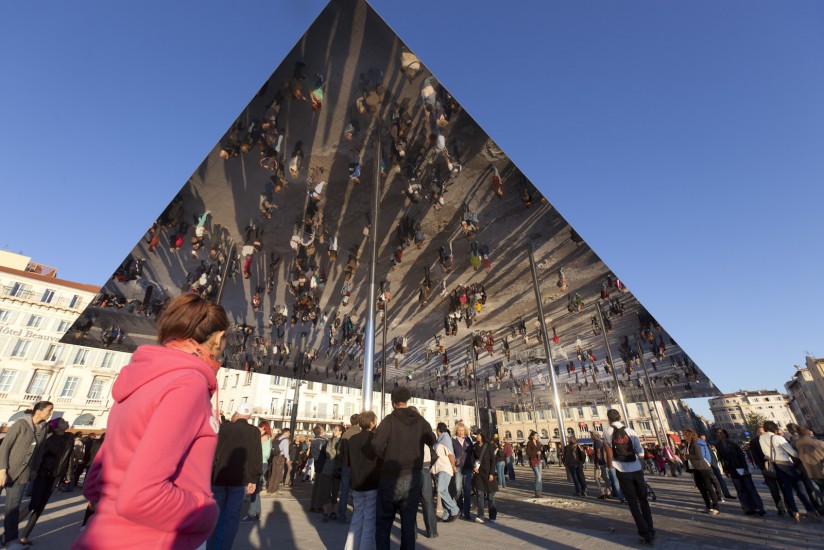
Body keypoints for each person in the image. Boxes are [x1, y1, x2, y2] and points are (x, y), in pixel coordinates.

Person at [73, 294, 228, 549]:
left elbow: (94, 481)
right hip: (152, 538)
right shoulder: (187, 383)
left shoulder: (141, 377)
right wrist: (207, 513)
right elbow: (141, 496)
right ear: (218, 338)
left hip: (103, 535)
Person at [372, 387, 435, 550]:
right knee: (408, 523)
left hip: (390, 476)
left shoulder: (389, 420)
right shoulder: (420, 420)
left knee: (383, 523)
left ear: (393, 402)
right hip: (412, 476)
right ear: (407, 401)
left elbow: (376, 445)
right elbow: (432, 439)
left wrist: (386, 456)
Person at [208, 402, 263, 550]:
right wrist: (253, 479)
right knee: (231, 518)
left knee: (216, 515)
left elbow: (213, 451)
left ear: (237, 414)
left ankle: (211, 546)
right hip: (240, 480)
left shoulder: (224, 428)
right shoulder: (254, 432)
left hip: (219, 477)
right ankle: (225, 547)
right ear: (249, 416)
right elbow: (256, 457)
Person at [0, 401, 53, 550]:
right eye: (49, 410)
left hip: (22, 475)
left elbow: (39, 451)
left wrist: (34, 469)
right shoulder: (21, 424)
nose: (50, 413)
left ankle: (10, 541)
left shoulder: (44, 427)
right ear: (38, 411)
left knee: (13, 508)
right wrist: (2, 470)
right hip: (5, 470)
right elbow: (5, 447)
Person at [603, 409, 655, 546]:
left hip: (621, 469)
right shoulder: (631, 431)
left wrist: (610, 466)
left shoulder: (607, 431)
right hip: (636, 468)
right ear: (620, 417)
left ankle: (644, 533)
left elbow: (608, 450)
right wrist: (642, 467)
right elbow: (640, 451)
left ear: (608, 419)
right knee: (643, 500)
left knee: (632, 502)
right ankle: (650, 529)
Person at [18, 417, 73, 544]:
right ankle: (9, 530)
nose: (66, 422)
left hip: (55, 476)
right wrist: (33, 471)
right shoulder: (48, 439)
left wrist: (68, 474)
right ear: (56, 427)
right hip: (43, 473)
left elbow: (69, 457)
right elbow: (38, 457)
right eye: (62, 422)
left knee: (41, 506)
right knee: (34, 503)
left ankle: (24, 536)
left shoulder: (69, 438)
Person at [759, 421, 818, 522]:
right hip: (785, 464)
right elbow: (792, 452)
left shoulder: (761, 438)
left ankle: (795, 512)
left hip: (775, 465)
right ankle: (810, 510)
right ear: (774, 428)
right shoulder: (778, 438)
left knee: (787, 489)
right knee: (800, 486)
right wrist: (800, 455)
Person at [344, 411, 381, 550]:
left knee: (356, 518)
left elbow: (347, 461)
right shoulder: (376, 439)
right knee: (369, 521)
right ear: (372, 423)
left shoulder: (352, 439)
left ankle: (349, 547)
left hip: (356, 483)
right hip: (371, 483)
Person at [714, 428, 765, 515]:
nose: (720, 435)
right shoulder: (718, 446)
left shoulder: (733, 444)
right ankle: (747, 508)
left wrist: (745, 468)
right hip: (732, 469)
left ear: (725, 434)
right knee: (740, 490)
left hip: (740, 467)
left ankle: (759, 507)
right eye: (718, 433)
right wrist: (725, 469)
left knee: (750, 488)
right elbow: (721, 458)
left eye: (721, 433)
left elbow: (741, 456)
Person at [748, 426, 786, 515]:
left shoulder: (772, 439)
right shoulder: (754, 442)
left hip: (778, 466)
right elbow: (755, 456)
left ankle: (790, 507)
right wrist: (762, 468)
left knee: (784, 487)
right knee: (773, 489)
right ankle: (780, 507)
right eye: (759, 433)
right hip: (766, 468)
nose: (761, 434)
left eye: (763, 432)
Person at [683, 428, 720, 515]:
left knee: (708, 487)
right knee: (701, 487)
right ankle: (709, 506)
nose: (683, 436)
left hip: (702, 468)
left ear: (688, 435)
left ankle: (716, 507)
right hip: (695, 468)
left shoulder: (694, 444)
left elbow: (699, 456)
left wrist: (687, 456)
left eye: (684, 434)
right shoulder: (689, 444)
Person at [243, 421, 272, 522]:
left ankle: (252, 513)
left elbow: (253, 446)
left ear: (265, 429)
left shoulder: (264, 437)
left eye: (261, 428)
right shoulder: (266, 437)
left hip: (260, 463)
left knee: (253, 488)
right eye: (259, 427)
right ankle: (256, 512)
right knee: (255, 489)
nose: (259, 429)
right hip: (261, 463)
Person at [431, 423, 459, 521]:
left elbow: (450, 455)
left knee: (441, 490)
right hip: (440, 469)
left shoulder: (445, 439)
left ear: (438, 430)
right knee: (444, 491)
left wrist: (453, 466)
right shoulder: (440, 440)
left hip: (445, 468)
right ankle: (446, 514)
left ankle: (454, 509)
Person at [338, 413, 362, 524]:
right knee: (357, 493)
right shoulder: (360, 433)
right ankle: (356, 517)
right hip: (357, 466)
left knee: (344, 491)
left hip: (346, 465)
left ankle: (341, 516)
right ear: (359, 422)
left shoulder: (346, 433)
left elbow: (340, 451)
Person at [473, 432, 498, 523]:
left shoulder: (489, 446)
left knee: (490, 495)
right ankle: (481, 516)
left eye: (478, 435)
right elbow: (472, 458)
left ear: (482, 436)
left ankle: (492, 515)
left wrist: (492, 473)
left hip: (488, 474)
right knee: (479, 494)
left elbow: (493, 460)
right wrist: (473, 466)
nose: (477, 437)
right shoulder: (475, 446)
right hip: (479, 473)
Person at [700, 435, 734, 500]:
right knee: (714, 481)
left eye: (704, 437)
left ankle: (725, 494)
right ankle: (718, 495)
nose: (704, 439)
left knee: (719, 480)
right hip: (708, 465)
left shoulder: (708, 444)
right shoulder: (701, 445)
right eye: (703, 438)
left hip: (714, 464)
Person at [795, 426, 824, 502]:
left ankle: (821, 508)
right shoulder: (819, 443)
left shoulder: (795, 444)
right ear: (809, 432)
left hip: (808, 473)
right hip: (821, 470)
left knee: (818, 492)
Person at [451, 422, 474, 519]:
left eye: (462, 430)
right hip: (458, 467)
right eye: (459, 430)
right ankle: (460, 509)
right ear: (457, 431)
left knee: (467, 489)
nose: (461, 432)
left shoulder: (468, 439)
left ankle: (467, 512)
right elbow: (451, 453)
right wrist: (453, 465)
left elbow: (473, 452)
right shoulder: (453, 440)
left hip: (468, 467)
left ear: (465, 431)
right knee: (458, 489)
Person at [525, 431, 543, 497]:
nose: (537, 436)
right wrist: (536, 453)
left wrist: (542, 458)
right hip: (533, 460)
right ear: (532, 436)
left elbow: (540, 451)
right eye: (536, 435)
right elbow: (528, 452)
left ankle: (539, 492)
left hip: (539, 460)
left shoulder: (538, 443)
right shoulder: (529, 443)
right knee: (538, 476)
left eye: (537, 435)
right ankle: (537, 491)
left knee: (540, 476)